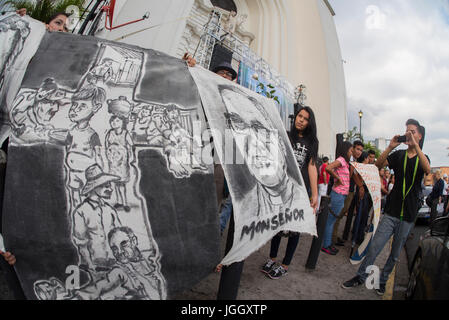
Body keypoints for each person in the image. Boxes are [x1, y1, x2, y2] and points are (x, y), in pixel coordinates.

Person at [342, 119, 430, 296]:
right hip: (391, 212)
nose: (408, 134)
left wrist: (416, 146)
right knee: (375, 247)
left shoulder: (423, 157)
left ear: (419, 136)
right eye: (407, 131)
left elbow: (427, 169)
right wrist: (390, 147)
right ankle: (360, 276)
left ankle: (382, 281)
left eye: (412, 132)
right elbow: (378, 165)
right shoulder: (399, 156)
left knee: (395, 254)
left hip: (408, 216)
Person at [260, 106, 319, 279]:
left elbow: (312, 166)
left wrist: (314, 194)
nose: (301, 119)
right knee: (278, 226)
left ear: (310, 122)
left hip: (299, 192)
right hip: (281, 188)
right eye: (299, 116)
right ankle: (272, 258)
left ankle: (285, 265)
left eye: (305, 118)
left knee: (295, 228)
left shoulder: (312, 142)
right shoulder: (286, 135)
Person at [321, 141, 353, 255]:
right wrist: (338, 178)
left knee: (331, 221)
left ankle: (327, 243)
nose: (351, 152)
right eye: (350, 150)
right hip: (338, 194)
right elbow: (328, 168)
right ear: (346, 150)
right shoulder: (341, 160)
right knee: (330, 221)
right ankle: (326, 245)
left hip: (340, 195)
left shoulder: (344, 162)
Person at [332, 140, 364, 246]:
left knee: (340, 215)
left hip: (349, 191)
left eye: (361, 150)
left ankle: (334, 236)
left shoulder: (354, 161)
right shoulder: (347, 160)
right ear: (352, 149)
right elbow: (349, 177)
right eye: (357, 149)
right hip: (342, 191)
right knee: (337, 215)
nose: (359, 152)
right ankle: (332, 238)